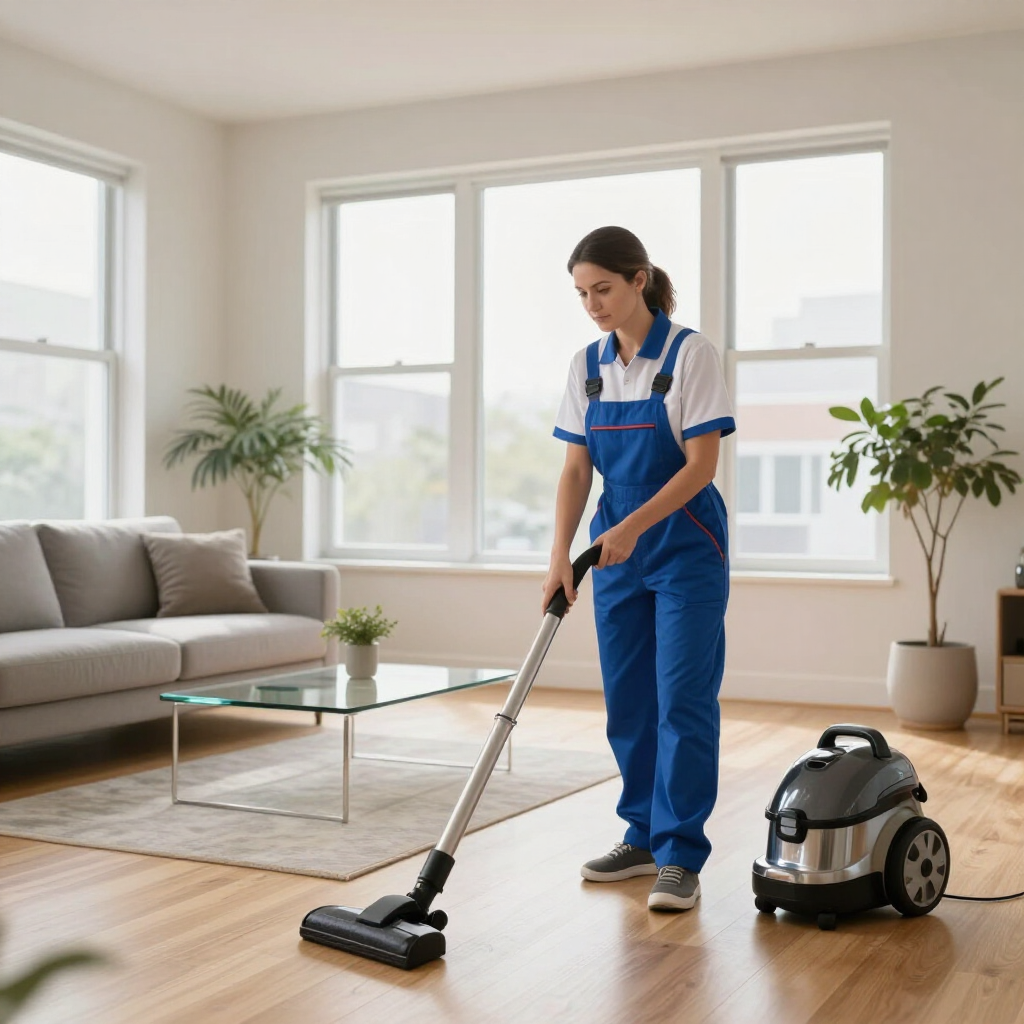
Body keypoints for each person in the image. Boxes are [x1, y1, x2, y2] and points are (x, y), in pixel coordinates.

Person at [542, 225, 735, 912]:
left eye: (602, 289)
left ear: (639, 280)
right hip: (613, 554)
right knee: (629, 702)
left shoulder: (690, 354)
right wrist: (560, 554)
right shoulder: (586, 364)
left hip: (684, 546)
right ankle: (642, 835)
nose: (592, 304)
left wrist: (631, 526)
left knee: (682, 700)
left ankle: (681, 854)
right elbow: (574, 469)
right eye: (582, 293)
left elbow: (702, 466)